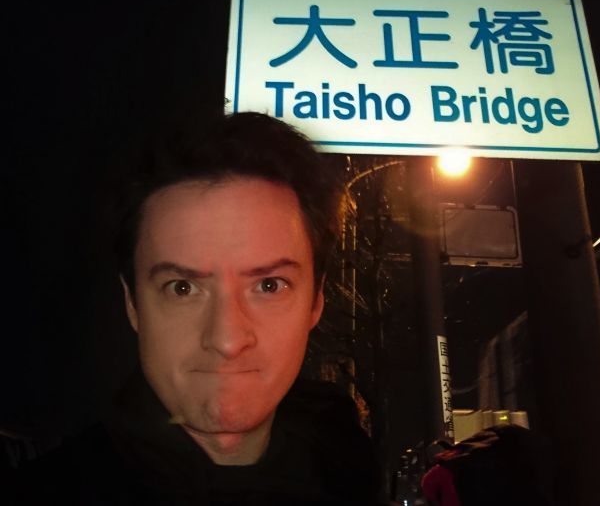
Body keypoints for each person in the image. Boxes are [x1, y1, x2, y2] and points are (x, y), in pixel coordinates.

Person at [12, 112, 381, 504]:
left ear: (316, 302)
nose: (227, 340)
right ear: (133, 304)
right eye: (183, 288)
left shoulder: (350, 476)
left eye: (269, 285)